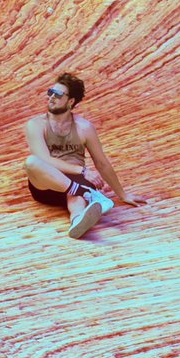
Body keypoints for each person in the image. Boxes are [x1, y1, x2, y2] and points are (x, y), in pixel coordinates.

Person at [24, 72, 144, 239]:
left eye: (58, 94)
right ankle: (87, 193)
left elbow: (102, 163)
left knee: (76, 199)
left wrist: (122, 194)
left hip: (75, 183)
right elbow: (44, 159)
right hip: (47, 183)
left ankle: (77, 221)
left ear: (71, 101)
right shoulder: (35, 125)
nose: (51, 97)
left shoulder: (84, 127)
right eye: (50, 91)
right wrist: (81, 171)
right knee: (32, 162)